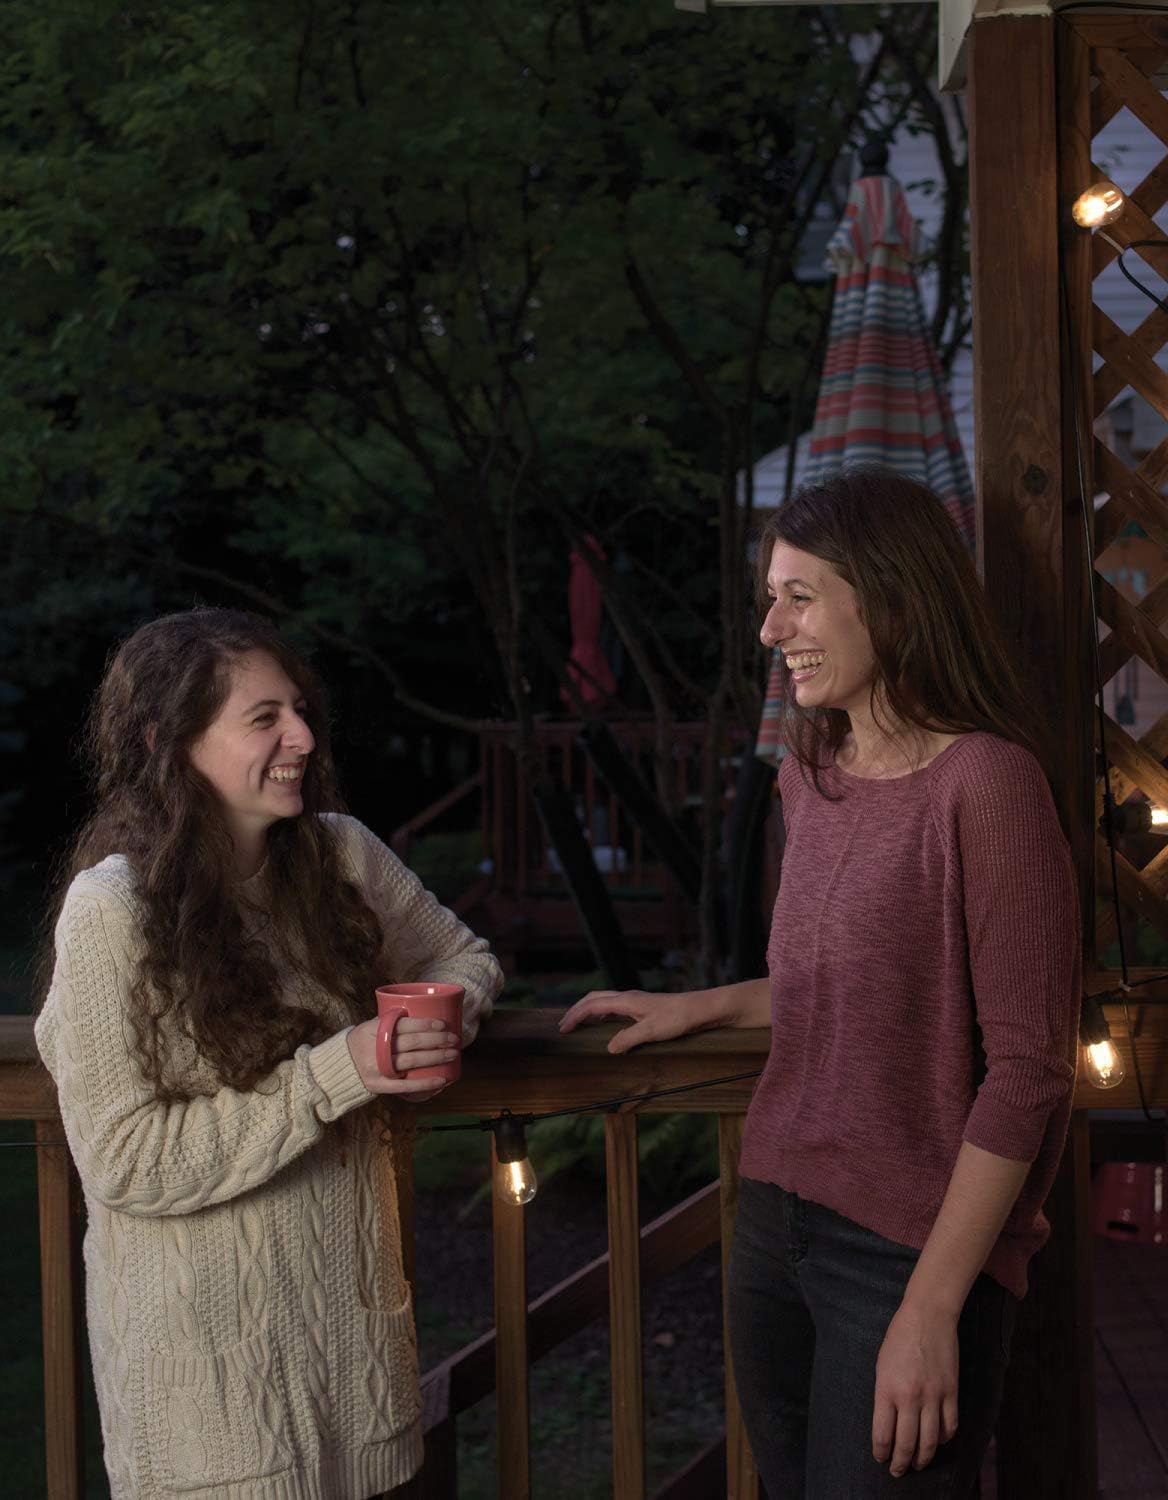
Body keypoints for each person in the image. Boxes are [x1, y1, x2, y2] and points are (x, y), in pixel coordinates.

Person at [560, 469, 1081, 1497]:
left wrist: (933, 1307)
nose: (771, 629)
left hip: (905, 1255)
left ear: (887, 595)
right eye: (770, 598)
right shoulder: (815, 770)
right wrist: (703, 1005)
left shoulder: (988, 784)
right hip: (774, 1224)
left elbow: (1028, 1070)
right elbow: (849, 982)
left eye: (799, 596)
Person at [34, 608, 502, 1499]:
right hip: (209, 1413)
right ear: (167, 742)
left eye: (300, 708)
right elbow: (125, 1159)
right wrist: (344, 1071)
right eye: (264, 718)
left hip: (358, 1373)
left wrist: (443, 1019)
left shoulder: (341, 855)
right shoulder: (112, 911)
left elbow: (462, 955)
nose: (302, 735)